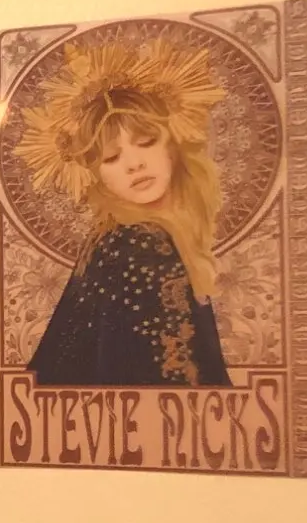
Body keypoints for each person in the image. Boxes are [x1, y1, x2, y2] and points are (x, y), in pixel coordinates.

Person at [17, 34, 231, 387]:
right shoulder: (139, 244)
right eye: (112, 157)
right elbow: (166, 382)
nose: (134, 164)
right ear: (97, 175)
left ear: (173, 146)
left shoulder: (117, 236)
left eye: (146, 142)